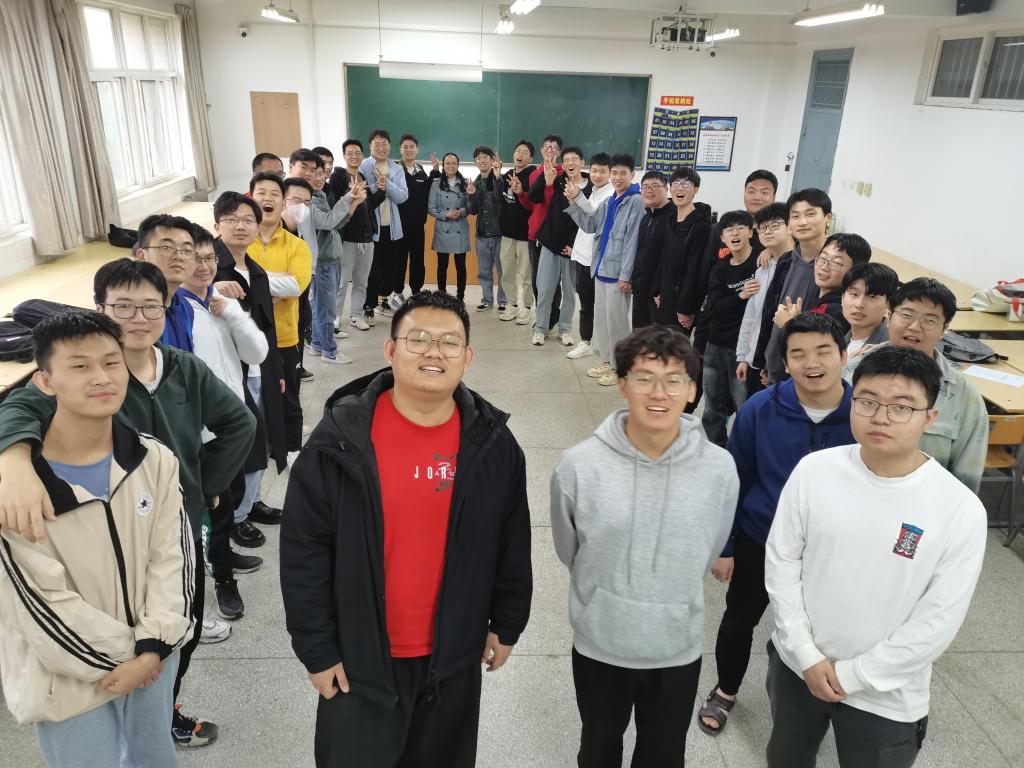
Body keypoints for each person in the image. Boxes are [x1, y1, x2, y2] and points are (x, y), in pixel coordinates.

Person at [0, 259, 256, 748]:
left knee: (179, 627)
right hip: (78, 660)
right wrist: (12, 462)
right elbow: (17, 406)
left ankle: (167, 705)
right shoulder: (73, 385)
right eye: (124, 307)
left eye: (150, 307)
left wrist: (204, 485)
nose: (139, 318)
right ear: (101, 309)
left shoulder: (179, 376)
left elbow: (239, 423)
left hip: (167, 533)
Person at [280, 290, 532, 767]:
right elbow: (304, 553)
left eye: (449, 342)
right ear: (390, 350)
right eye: (418, 339)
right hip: (358, 660)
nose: (434, 352)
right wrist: (317, 649)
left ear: (467, 357)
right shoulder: (339, 440)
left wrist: (507, 623)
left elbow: (512, 542)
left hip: (453, 657)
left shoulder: (493, 444)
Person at [764, 345, 987, 767]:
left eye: (901, 407)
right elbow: (782, 562)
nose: (880, 417)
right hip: (797, 665)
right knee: (786, 757)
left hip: (886, 693)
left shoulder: (959, 509)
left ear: (929, 417)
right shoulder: (815, 470)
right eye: (867, 401)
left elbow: (937, 621)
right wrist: (805, 653)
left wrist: (853, 675)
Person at [0, 312, 194, 768]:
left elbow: (173, 557)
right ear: (45, 382)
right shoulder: (19, 488)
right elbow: (38, 599)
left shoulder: (153, 458)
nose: (102, 378)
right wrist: (132, 657)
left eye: (111, 362)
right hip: (67, 675)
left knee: (155, 759)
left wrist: (153, 646)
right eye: (80, 366)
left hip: (153, 658)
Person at [551, 324, 738, 768]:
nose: (659, 393)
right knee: (598, 748)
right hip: (601, 642)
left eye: (674, 379)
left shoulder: (719, 468)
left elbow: (711, 544)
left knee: (663, 754)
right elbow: (569, 547)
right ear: (622, 384)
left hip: (676, 645)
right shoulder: (579, 465)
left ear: (692, 389)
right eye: (644, 377)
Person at [698, 312, 854, 739]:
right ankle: (726, 689)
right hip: (761, 538)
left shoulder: (862, 414)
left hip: (830, 549)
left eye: (823, 351)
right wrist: (726, 546)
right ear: (785, 362)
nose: (811, 363)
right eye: (798, 354)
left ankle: (817, 697)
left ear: (843, 356)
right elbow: (735, 478)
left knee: (825, 628)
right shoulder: (760, 408)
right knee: (739, 619)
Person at [181, 227, 268, 621]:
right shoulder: (176, 311)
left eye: (209, 258)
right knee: (213, 513)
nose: (203, 266)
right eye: (194, 258)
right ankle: (222, 580)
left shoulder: (220, 302)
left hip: (232, 425)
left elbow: (257, 352)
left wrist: (233, 313)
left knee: (230, 499)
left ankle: (223, 557)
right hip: (201, 433)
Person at [844, 278, 988, 493]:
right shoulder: (849, 373)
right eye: (907, 315)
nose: (914, 327)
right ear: (889, 315)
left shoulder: (963, 395)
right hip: (850, 494)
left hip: (925, 504)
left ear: (944, 329)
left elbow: (967, 477)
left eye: (929, 320)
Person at [212, 192, 288, 548]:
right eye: (231, 219)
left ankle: (251, 502)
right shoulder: (211, 269)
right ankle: (235, 517)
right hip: (229, 373)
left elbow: (267, 328)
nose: (240, 226)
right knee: (238, 443)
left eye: (248, 220)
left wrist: (276, 372)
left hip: (260, 368)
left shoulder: (255, 270)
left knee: (263, 437)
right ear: (217, 224)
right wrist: (211, 287)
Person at [565, 153, 645, 387]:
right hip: (600, 268)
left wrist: (626, 276)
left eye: (623, 173)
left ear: (632, 174)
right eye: (615, 173)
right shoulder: (610, 201)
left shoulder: (636, 201)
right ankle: (606, 361)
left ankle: (620, 368)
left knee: (617, 324)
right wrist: (574, 200)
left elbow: (632, 242)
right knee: (602, 321)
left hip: (618, 274)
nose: (617, 178)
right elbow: (590, 225)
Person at [249, 171, 313, 460]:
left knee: (289, 398)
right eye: (262, 193)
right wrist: (273, 283)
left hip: (285, 335)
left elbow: (295, 285)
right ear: (251, 198)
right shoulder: (239, 240)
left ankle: (291, 451)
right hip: (245, 335)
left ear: (283, 202)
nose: (268, 198)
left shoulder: (296, 245)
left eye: (275, 194)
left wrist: (253, 284)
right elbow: (226, 282)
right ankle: (257, 451)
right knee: (251, 396)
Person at [759, 188, 833, 385]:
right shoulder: (786, 261)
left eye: (810, 214)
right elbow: (770, 312)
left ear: (827, 218)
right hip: (776, 363)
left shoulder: (833, 267)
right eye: (795, 216)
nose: (802, 222)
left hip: (810, 371)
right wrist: (766, 360)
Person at [701, 210, 758, 446]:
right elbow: (715, 308)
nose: (735, 233)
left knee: (743, 405)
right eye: (729, 229)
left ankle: (743, 452)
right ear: (722, 237)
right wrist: (741, 295)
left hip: (743, 349)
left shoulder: (761, 263)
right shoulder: (719, 269)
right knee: (712, 405)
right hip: (716, 344)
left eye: (740, 228)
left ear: (751, 233)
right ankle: (715, 449)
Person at [530, 145, 590, 347]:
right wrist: (546, 180)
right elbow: (534, 196)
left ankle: (565, 329)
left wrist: (574, 246)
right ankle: (540, 328)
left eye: (574, 159)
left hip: (573, 249)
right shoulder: (558, 180)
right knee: (545, 290)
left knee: (570, 292)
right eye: (566, 161)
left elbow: (588, 221)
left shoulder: (590, 188)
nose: (570, 163)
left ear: (582, 163)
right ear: (563, 165)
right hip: (550, 242)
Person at [735, 202, 793, 399]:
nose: (767, 231)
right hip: (755, 359)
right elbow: (751, 317)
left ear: (790, 227)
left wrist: (773, 365)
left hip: (780, 365)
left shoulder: (797, 268)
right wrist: (743, 357)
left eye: (775, 226)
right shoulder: (762, 269)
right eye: (763, 227)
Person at [773, 232, 872, 337]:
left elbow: (818, 345)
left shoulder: (840, 311)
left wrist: (789, 324)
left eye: (836, 263)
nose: (824, 267)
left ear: (855, 271)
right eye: (823, 258)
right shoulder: (818, 297)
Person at [328, 139, 380, 331]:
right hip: (348, 238)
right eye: (350, 153)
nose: (354, 156)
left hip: (367, 238)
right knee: (342, 281)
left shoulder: (362, 176)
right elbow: (336, 204)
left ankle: (356, 316)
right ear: (344, 156)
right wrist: (349, 192)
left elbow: (369, 205)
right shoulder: (338, 177)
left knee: (361, 281)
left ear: (362, 155)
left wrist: (380, 189)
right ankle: (335, 317)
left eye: (358, 153)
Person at [565, 152, 613, 360]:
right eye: (594, 171)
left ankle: (602, 344)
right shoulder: (593, 191)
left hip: (597, 259)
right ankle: (586, 341)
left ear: (610, 173)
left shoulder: (611, 194)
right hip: (582, 255)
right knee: (585, 302)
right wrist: (574, 200)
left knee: (600, 305)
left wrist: (577, 197)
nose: (598, 175)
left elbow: (594, 216)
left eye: (603, 171)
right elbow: (584, 222)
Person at [360, 129, 410, 316]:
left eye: (384, 144)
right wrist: (377, 186)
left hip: (392, 227)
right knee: (371, 269)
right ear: (370, 146)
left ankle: (383, 301)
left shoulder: (397, 168)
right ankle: (368, 306)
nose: (381, 148)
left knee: (390, 267)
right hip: (371, 228)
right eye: (377, 144)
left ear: (390, 146)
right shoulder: (363, 166)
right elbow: (362, 194)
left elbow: (403, 196)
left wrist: (387, 184)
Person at [517, 135, 564, 330]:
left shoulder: (563, 173)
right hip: (534, 233)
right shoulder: (535, 173)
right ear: (542, 149)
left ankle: (553, 317)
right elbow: (533, 204)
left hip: (553, 235)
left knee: (553, 281)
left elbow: (556, 205)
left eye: (554, 147)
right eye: (546, 146)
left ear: (559, 152)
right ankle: (543, 316)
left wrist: (550, 183)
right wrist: (521, 194)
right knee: (537, 280)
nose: (550, 150)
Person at [132, 213, 198, 352]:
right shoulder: (132, 314)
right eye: (166, 248)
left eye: (187, 250)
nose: (179, 256)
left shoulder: (186, 307)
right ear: (142, 256)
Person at [629, 171, 675, 328]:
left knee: (658, 338)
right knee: (640, 335)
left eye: (655, 186)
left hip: (659, 295)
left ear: (666, 189)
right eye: (645, 187)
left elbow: (670, 259)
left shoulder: (674, 217)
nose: (649, 190)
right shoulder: (646, 217)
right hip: (641, 289)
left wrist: (661, 290)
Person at [841, 262, 899, 380]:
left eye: (872, 297)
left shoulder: (890, 351)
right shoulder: (839, 341)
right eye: (854, 294)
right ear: (842, 298)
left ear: (888, 305)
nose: (859, 304)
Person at [499, 140, 536, 324]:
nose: (519, 154)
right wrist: (496, 175)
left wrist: (521, 192)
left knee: (526, 275)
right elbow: (499, 199)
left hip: (525, 235)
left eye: (524, 152)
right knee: (507, 272)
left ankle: (527, 307)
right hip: (507, 234)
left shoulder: (533, 176)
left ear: (531, 158)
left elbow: (533, 205)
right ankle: (512, 305)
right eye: (517, 151)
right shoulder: (507, 174)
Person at [467, 145, 507, 313]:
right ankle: (487, 300)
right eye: (478, 157)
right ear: (475, 162)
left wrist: (497, 178)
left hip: (499, 233)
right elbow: (473, 210)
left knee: (502, 271)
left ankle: (503, 301)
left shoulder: (500, 179)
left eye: (485, 157)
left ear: (492, 160)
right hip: (482, 234)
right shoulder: (475, 183)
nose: (482, 160)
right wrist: (472, 195)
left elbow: (501, 200)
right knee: (484, 271)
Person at [429, 153, 471, 303]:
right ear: (443, 165)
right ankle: (442, 296)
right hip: (443, 227)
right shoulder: (436, 184)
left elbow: (470, 205)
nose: (451, 166)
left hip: (460, 226)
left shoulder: (466, 183)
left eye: (454, 163)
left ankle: (460, 297)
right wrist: (445, 214)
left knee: (461, 265)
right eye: (448, 163)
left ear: (458, 165)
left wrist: (462, 211)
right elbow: (431, 208)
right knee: (442, 265)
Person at [397, 134, 432, 295]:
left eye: (412, 147)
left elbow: (426, 194)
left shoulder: (421, 171)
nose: (409, 150)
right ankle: (397, 292)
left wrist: (435, 172)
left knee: (418, 260)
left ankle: (416, 291)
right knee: (399, 260)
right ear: (400, 149)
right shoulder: (394, 169)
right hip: (398, 226)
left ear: (417, 150)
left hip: (418, 226)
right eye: (405, 147)